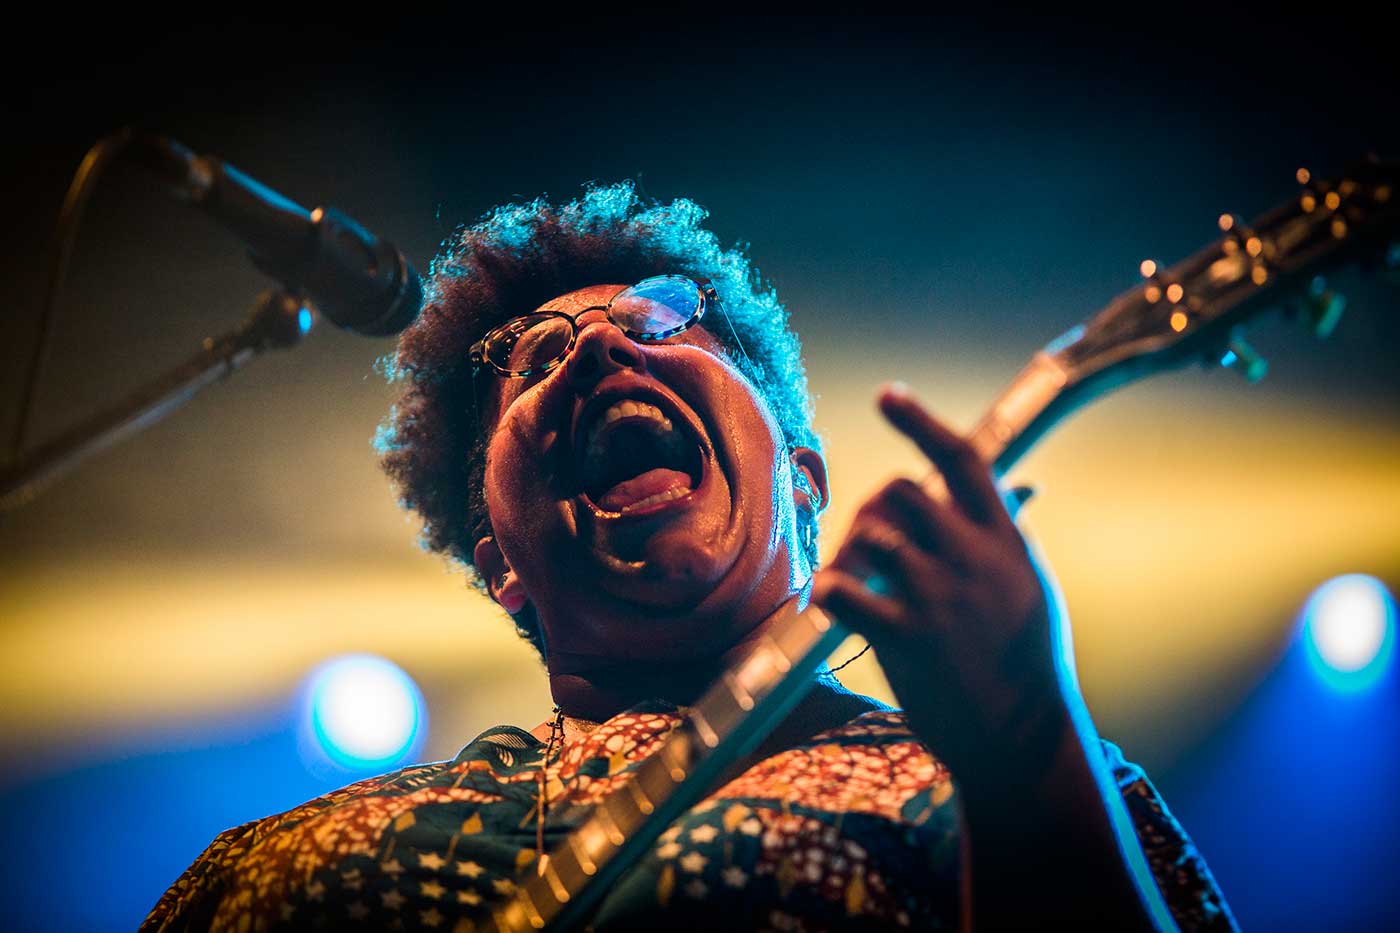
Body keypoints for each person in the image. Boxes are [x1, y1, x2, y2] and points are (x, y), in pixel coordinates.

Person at [142, 183, 1237, 931]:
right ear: (501, 565)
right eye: (538, 357)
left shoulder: (1022, 789)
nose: (601, 342)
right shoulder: (267, 872)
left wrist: (1026, 748)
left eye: (663, 322)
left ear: (802, 486)